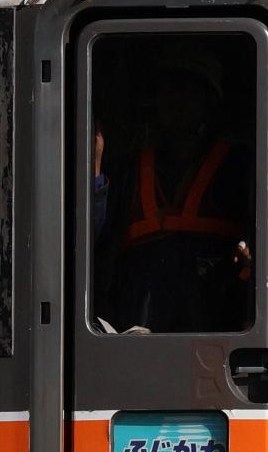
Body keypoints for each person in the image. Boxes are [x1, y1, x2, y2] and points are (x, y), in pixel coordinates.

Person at [92, 55, 252, 332]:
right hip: (138, 338)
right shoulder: (129, 169)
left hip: (214, 336)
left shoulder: (237, 167)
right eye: (167, 89)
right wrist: (95, 169)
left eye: (187, 90)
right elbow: (92, 238)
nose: (175, 100)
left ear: (208, 101)